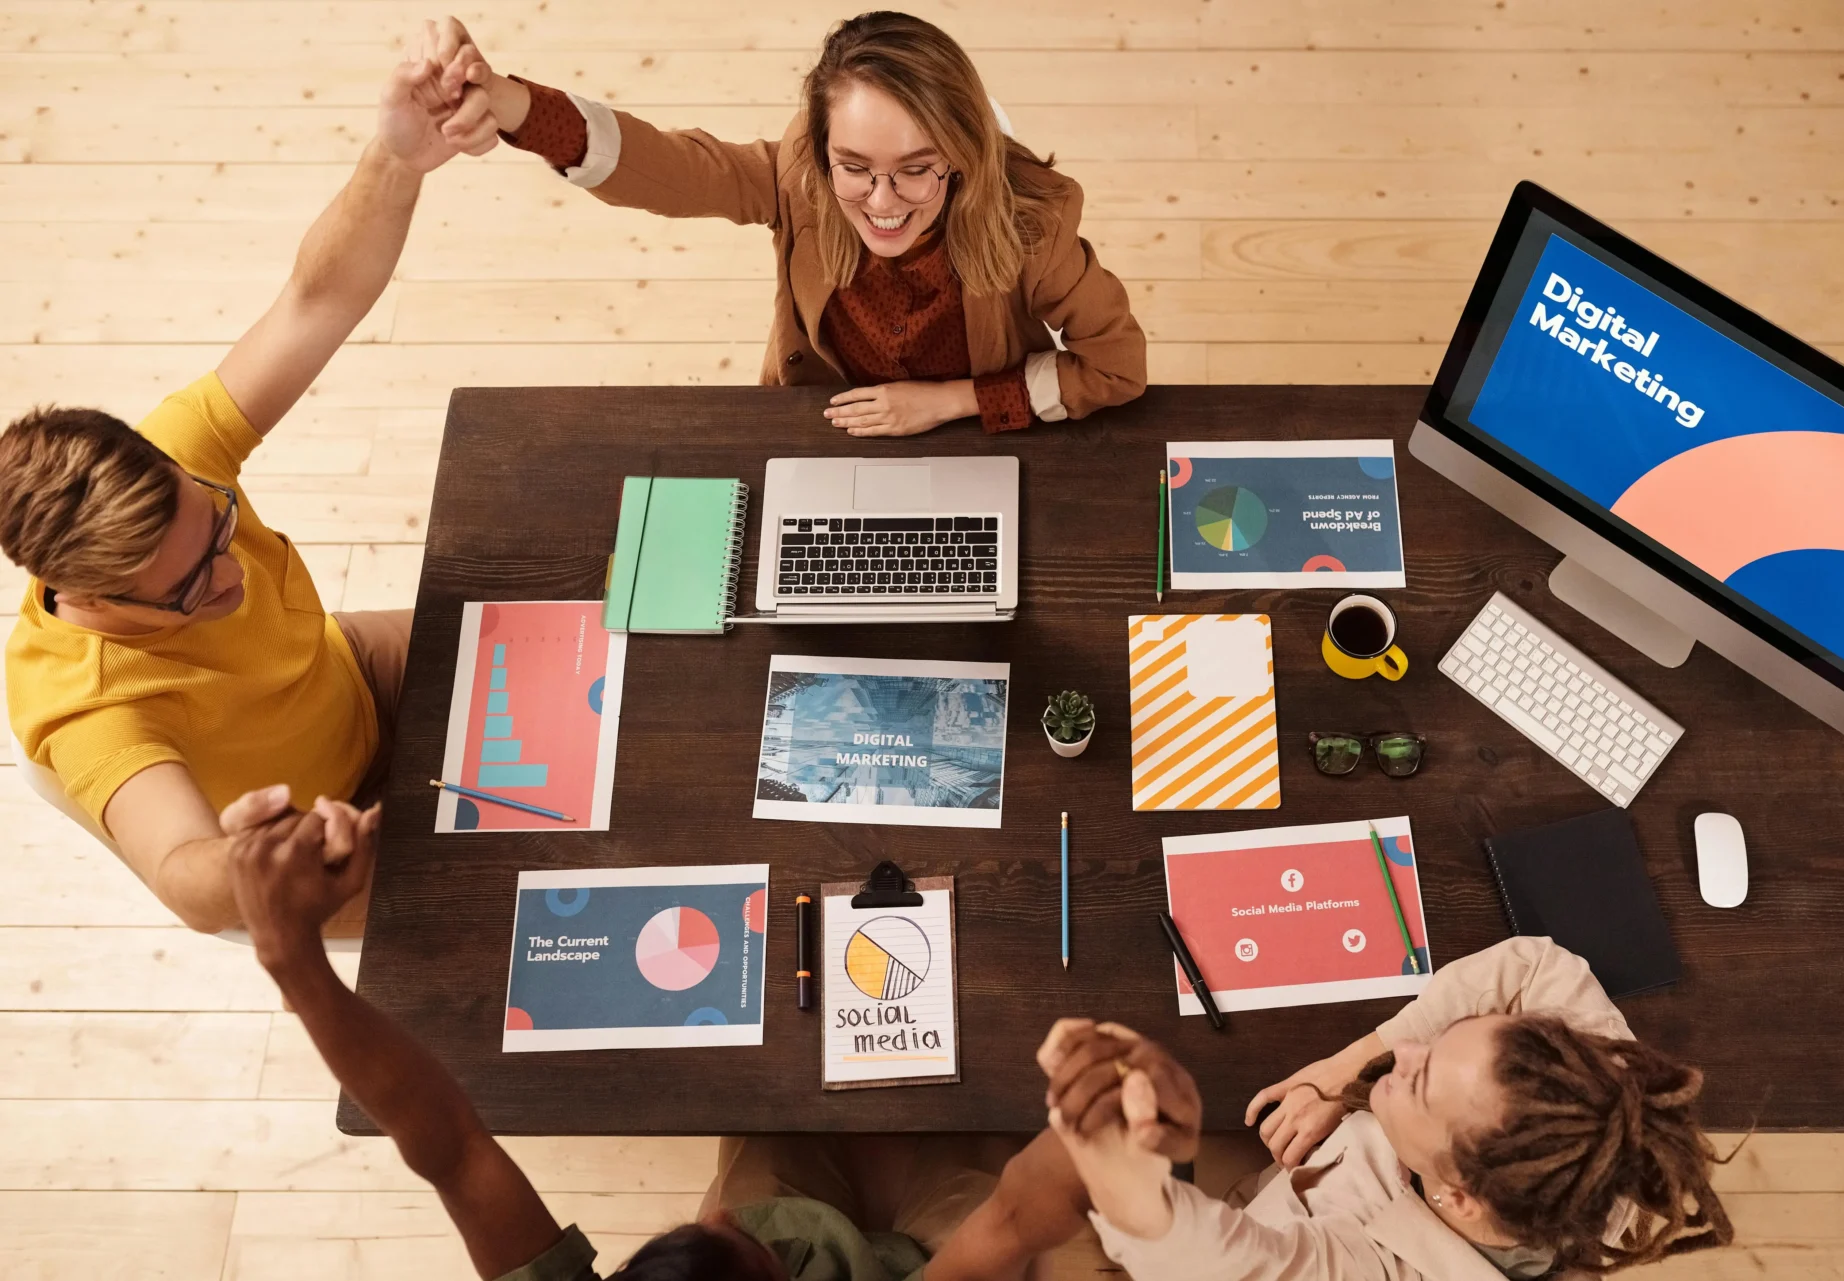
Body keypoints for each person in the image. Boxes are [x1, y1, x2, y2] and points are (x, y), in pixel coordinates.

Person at [0, 33, 501, 934]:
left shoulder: (176, 457)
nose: (233, 577)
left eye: (218, 528)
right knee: (525, 901)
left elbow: (317, 298)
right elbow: (184, 873)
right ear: (91, 596)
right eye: (192, 587)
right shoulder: (87, 704)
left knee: (577, 630)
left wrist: (396, 158)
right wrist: (255, 856)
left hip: (354, 675)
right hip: (325, 838)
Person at [222, 785, 1094, 1280]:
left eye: (702, 1227)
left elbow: (447, 1143)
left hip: (817, 1232)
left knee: (779, 1095)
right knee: (969, 1128)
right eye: (733, 1233)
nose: (717, 1206)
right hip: (918, 1259)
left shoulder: (733, 1222)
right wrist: (1101, 1102)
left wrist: (291, 956)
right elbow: (1015, 1215)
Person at [426, 10, 1147, 437]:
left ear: (962, 153)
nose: (885, 201)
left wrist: (950, 402)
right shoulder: (799, 173)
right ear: (822, 149)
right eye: (855, 166)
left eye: (917, 168)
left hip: (979, 436)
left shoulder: (1033, 223)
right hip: (820, 426)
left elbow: (1117, 367)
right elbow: (672, 167)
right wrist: (516, 106)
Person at [1037, 937, 1736, 1280]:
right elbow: (1536, 967)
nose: (1398, 1058)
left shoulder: (1384, 1270)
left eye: (1420, 1078)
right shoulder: (1589, 1100)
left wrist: (1116, 1155)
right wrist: (1343, 1070)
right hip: (1280, 1181)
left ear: (1457, 1197)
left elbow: (1225, 1266)